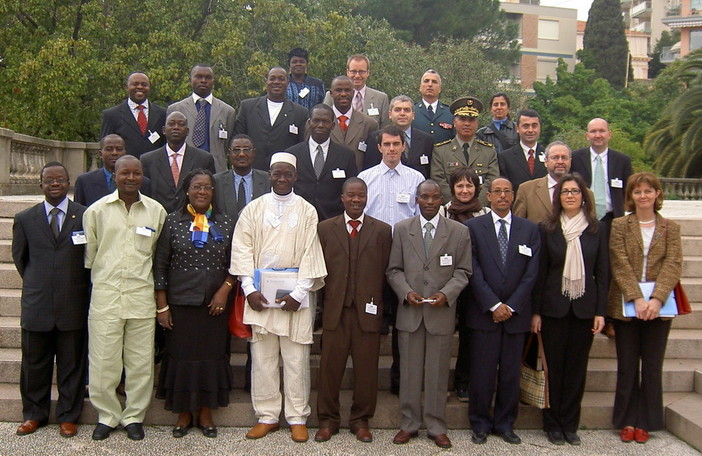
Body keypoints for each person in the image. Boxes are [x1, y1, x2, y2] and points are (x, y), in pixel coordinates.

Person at [230, 152, 327, 443]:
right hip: (260, 296)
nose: (282, 179)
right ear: (269, 175)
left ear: (296, 176)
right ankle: (268, 416)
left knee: (296, 358)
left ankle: (297, 417)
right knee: (262, 357)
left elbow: (312, 252)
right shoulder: (253, 209)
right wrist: (248, 289)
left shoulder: (308, 210)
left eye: (288, 174)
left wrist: (299, 293)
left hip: (296, 297)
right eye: (277, 173)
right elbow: (242, 248)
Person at [83, 155, 166, 441]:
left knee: (140, 362)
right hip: (106, 297)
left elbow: (157, 256)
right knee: (104, 362)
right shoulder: (96, 212)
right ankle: (107, 416)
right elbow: (90, 255)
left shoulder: (156, 211)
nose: (131, 178)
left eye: (137, 173)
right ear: (114, 175)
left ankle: (133, 417)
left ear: (143, 176)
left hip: (141, 297)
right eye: (125, 173)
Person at [387, 180, 472, 450]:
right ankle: (408, 424)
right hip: (411, 312)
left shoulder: (459, 232)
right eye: (425, 197)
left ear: (441, 199)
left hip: (440, 313)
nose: (430, 202)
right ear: (417, 199)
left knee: (436, 373)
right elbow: (394, 270)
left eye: (435, 197)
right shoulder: (401, 230)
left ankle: (436, 425)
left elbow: (463, 271)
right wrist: (405, 291)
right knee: (409, 371)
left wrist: (447, 293)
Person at [154, 169, 235, 438]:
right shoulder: (172, 221)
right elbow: (161, 264)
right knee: (183, 358)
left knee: (210, 358)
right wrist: (162, 306)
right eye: (197, 187)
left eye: (208, 188)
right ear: (187, 190)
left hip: (215, 306)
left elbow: (236, 263)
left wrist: (224, 290)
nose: (202, 192)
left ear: (214, 192)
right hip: (181, 305)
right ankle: (184, 412)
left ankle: (205, 411)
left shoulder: (225, 222)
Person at [12, 162, 90, 438]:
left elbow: (88, 260)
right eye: (49, 180)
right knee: (34, 365)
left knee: (72, 365)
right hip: (38, 304)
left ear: (69, 183)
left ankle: (69, 416)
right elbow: (21, 260)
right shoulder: (24, 219)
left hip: (73, 303)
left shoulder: (84, 216)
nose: (55, 184)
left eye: (60, 179)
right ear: (41, 185)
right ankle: (34, 414)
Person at [531, 173, 609, 446]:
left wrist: (601, 311)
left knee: (576, 369)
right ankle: (552, 424)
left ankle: (570, 425)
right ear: (558, 197)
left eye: (575, 191)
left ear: (584, 196)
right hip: (553, 308)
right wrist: (536, 312)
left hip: (584, 309)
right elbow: (540, 273)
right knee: (554, 369)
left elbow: (602, 273)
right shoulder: (548, 228)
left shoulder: (596, 229)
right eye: (565, 192)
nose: (570, 196)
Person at [314, 177, 392, 443]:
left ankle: (361, 420)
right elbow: (318, 273)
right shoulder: (325, 229)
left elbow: (386, 274)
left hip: (368, 313)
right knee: (329, 369)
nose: (356, 200)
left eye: (361, 195)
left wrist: (385, 314)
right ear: (342, 198)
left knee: (367, 370)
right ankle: (327, 419)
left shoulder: (382, 231)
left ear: (367, 198)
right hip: (335, 311)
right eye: (351, 195)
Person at [464, 178, 541, 446]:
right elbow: (472, 269)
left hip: (516, 315)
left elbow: (531, 273)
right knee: (482, 373)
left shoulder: (529, 229)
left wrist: (512, 306)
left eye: (507, 191)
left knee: (510, 374)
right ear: (488, 197)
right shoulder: (473, 227)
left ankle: (506, 423)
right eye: (497, 191)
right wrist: (494, 305)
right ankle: (480, 423)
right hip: (484, 313)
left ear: (513, 196)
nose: (502, 196)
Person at [608, 172, 682, 444]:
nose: (643, 196)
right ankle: (626, 420)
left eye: (648, 191)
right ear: (631, 196)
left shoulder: (670, 228)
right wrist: (637, 297)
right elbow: (619, 262)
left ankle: (647, 421)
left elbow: (673, 263)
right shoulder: (619, 225)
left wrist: (656, 299)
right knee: (627, 366)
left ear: (657, 194)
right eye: (637, 192)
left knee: (652, 366)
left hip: (659, 307)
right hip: (627, 305)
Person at [358, 125, 425, 395]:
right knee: (372, 316)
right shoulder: (366, 177)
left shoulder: (415, 178)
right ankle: (368, 380)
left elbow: (422, 217)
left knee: (403, 321)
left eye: (397, 144)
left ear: (403, 146)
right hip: (372, 254)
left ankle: (399, 380)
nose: (392, 149)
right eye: (387, 144)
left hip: (406, 256)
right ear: (379, 147)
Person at [441, 166, 489, 402]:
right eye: (459, 185)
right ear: (452, 188)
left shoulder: (485, 214)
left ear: (477, 189)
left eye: (469, 185)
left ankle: (463, 382)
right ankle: (437, 382)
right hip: (445, 282)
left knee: (469, 337)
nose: (464, 190)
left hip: (473, 284)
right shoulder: (442, 212)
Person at [287, 103, 358, 221]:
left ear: (333, 125)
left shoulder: (346, 155)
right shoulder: (292, 154)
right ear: (309, 123)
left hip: (333, 221)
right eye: (316, 120)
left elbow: (350, 189)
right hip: (298, 218)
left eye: (325, 121)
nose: (320, 125)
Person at [140, 111, 216, 213]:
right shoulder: (148, 160)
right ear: (164, 130)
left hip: (194, 220)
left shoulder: (204, 158)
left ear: (188, 131)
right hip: (158, 217)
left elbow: (211, 192)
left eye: (181, 124)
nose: (176, 127)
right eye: (171, 124)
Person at [235, 67, 308, 171]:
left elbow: (301, 146)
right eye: (272, 78)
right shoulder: (247, 107)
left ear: (288, 82)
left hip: (283, 174)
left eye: (281, 79)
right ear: (266, 81)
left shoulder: (300, 113)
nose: (276, 82)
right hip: (252, 170)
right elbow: (238, 138)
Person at [167, 65, 236, 173]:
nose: (203, 81)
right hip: (185, 169)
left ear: (213, 81)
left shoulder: (227, 111)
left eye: (208, 77)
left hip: (217, 170)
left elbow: (226, 144)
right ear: (190, 80)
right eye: (198, 77)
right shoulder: (175, 109)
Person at [431, 96, 498, 206]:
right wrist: (456, 204)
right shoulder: (440, 151)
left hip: (480, 210)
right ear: (454, 122)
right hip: (451, 210)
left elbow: (492, 181)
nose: (467, 124)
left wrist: (476, 204)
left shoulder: (489, 151)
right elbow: (439, 181)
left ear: (477, 123)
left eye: (471, 120)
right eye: (462, 119)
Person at [570, 118, 633, 230]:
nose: (598, 135)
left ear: (609, 134)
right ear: (587, 135)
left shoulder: (622, 161)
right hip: (582, 218)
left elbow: (630, 190)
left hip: (613, 220)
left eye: (602, 131)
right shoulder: (574, 158)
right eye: (593, 131)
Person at [363, 95, 434, 178]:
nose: (402, 113)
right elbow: (370, 168)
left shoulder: (426, 140)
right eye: (398, 110)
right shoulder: (375, 138)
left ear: (413, 115)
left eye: (407, 110)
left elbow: (429, 171)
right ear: (390, 114)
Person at [101, 72, 166, 159]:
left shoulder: (162, 114)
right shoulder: (111, 115)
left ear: (149, 88)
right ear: (127, 87)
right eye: (135, 84)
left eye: (144, 84)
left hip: (154, 169)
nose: (140, 87)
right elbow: (105, 148)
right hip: (125, 169)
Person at [74, 134, 152, 206]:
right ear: (100, 154)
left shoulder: (143, 183)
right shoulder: (85, 181)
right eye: (109, 149)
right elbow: (78, 212)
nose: (114, 153)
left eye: (119, 149)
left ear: (125, 153)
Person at [213, 134, 270, 225]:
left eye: (246, 150)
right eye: (236, 150)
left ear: (254, 153)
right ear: (229, 153)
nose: (242, 154)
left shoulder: (268, 180)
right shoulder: (217, 181)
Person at [513, 141, 572, 223]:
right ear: (545, 162)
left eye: (564, 157)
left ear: (570, 161)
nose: (560, 161)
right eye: (555, 157)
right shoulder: (526, 190)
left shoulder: (583, 191)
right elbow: (518, 226)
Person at [328, 76, 379, 171]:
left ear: (353, 92)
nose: (343, 94)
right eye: (338, 90)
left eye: (347, 90)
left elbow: (373, 158)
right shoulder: (319, 123)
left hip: (358, 180)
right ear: (331, 93)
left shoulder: (369, 124)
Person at [324, 54, 390, 128]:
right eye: (353, 71)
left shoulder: (381, 98)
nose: (357, 76)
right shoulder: (331, 96)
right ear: (347, 72)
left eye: (361, 72)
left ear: (368, 73)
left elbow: (385, 128)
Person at [498, 109, 547, 192]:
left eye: (534, 126)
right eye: (526, 126)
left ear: (540, 128)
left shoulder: (549, 156)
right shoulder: (505, 157)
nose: (530, 130)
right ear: (517, 128)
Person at [412, 70, 455, 144]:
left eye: (434, 82)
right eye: (426, 81)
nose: (430, 84)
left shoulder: (450, 113)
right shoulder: (412, 111)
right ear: (420, 87)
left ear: (440, 89)